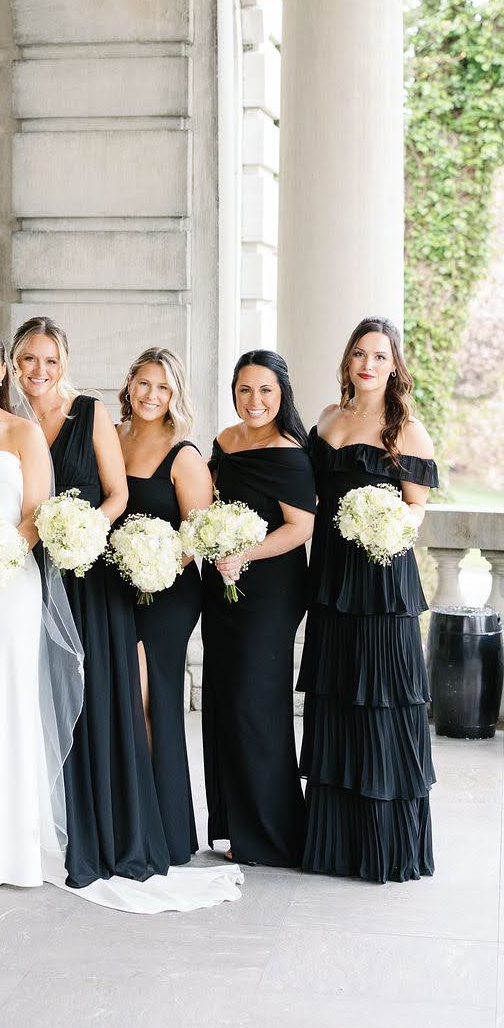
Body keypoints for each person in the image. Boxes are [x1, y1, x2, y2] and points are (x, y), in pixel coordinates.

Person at [0, 324, 241, 914]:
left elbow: (35, 511)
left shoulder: (26, 431)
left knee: (15, 710)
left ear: (0, 369)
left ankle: (16, 848)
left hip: (11, 586)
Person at [10, 315, 170, 887]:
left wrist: (82, 530)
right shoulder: (6, 421)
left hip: (88, 576)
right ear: (13, 364)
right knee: (38, 696)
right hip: (25, 576)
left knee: (96, 696)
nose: (39, 370)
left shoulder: (91, 413)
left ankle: (105, 834)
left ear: (65, 364)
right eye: (29, 359)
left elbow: (118, 494)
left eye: (50, 360)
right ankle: (41, 830)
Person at [298, 316, 437, 882]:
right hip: (332, 584)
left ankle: (385, 848)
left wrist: (386, 527)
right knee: (336, 697)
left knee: (379, 701)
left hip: (381, 585)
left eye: (380, 356)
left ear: (394, 365)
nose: (368, 364)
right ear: (348, 360)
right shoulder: (329, 417)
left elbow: (416, 507)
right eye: (360, 353)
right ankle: (335, 846)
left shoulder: (407, 429)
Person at [202, 350, 316, 868]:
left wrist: (243, 553)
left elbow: (300, 527)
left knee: (255, 704)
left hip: (269, 592)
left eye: (266, 390)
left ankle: (273, 835)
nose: (255, 400)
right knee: (224, 701)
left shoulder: (289, 452)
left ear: (282, 393)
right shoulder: (226, 441)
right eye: (245, 389)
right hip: (223, 587)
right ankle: (234, 826)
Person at [116, 346, 211, 864]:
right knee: (122, 699)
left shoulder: (184, 454)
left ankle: (163, 831)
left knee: (151, 700)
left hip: (167, 590)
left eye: (163, 387)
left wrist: (153, 565)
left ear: (175, 394)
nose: (152, 395)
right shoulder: (110, 436)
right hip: (113, 587)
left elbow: (196, 535)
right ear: (130, 384)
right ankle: (130, 819)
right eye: (145, 383)